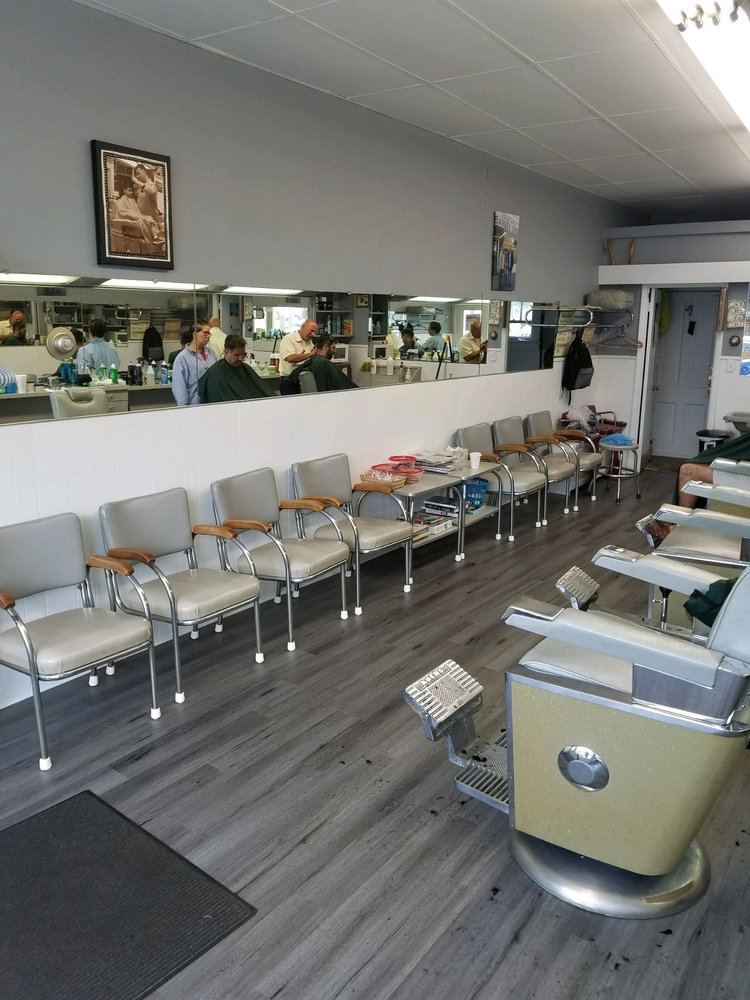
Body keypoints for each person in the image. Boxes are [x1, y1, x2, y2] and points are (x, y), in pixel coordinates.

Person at [198, 334, 275, 403]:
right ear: (226, 352)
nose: (241, 358)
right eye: (237, 355)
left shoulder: (245, 368)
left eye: (243, 355)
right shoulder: (216, 373)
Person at [288, 333, 358, 392]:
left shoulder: (314, 362)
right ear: (326, 347)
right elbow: (344, 385)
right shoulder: (322, 362)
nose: (335, 351)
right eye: (333, 348)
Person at [171, 322, 218, 406]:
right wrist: (184, 409)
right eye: (205, 333)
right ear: (194, 334)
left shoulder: (211, 353)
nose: (208, 336)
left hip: (212, 403)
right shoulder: (182, 359)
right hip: (195, 406)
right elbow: (179, 390)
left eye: (209, 333)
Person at [278, 318, 317, 395]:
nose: (312, 334)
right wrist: (309, 354)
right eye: (311, 330)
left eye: (315, 332)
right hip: (289, 382)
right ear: (303, 327)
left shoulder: (310, 343)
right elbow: (290, 358)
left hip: (305, 380)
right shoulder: (289, 339)